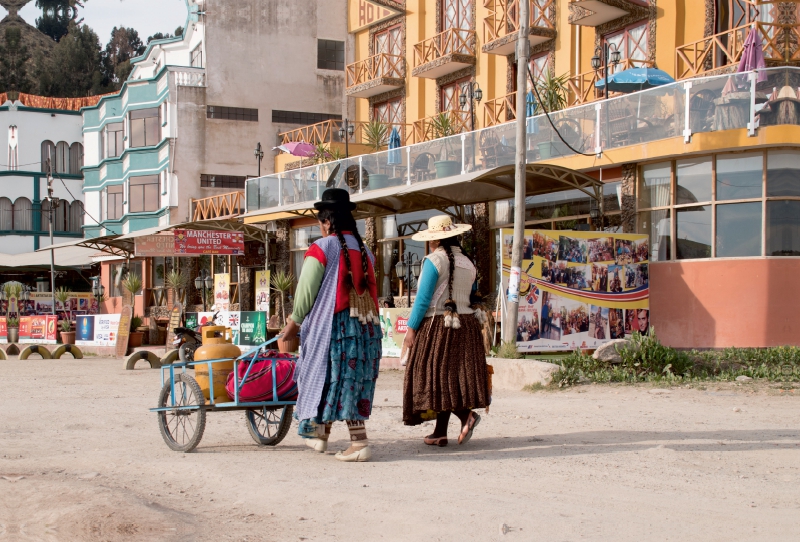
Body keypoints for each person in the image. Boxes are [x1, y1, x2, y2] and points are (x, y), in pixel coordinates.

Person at [280, 189, 382, 462]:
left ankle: (359, 443)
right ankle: (319, 435)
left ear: (326, 222)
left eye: (319, 223)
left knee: (335, 379)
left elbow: (306, 292)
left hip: (335, 329)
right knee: (348, 380)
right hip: (366, 328)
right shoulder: (366, 251)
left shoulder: (322, 248)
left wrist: (293, 323)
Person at [402, 215, 490, 446]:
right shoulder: (469, 263)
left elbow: (422, 300)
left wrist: (411, 329)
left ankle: (465, 416)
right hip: (467, 326)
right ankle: (440, 432)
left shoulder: (434, 261)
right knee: (451, 377)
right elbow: (472, 296)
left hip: (440, 325)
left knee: (433, 377)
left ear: (434, 240)